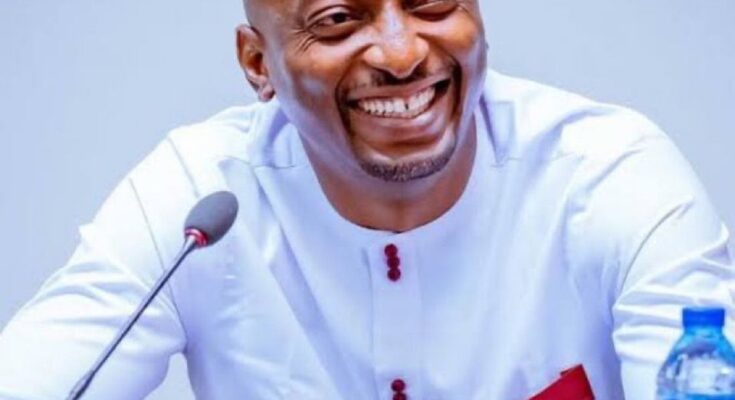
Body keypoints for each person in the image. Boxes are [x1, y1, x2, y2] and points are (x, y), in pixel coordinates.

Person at [0, 0, 732, 398]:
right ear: (257, 63)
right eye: (337, 20)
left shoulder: (610, 175)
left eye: (430, 3)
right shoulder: (200, 198)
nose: (403, 53)